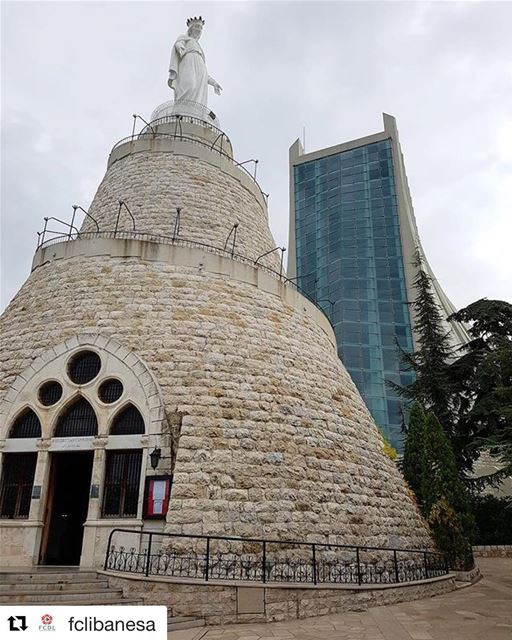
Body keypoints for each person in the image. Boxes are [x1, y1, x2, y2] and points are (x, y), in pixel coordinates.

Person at [168, 16, 222, 108]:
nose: (199, 29)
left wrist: (214, 83)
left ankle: (195, 111)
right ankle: (181, 109)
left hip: (201, 68)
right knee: (190, 85)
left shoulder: (200, 49)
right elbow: (178, 43)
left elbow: (206, 76)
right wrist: (179, 46)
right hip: (188, 62)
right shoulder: (184, 38)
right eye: (197, 26)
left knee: (199, 92)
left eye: (201, 27)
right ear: (191, 28)